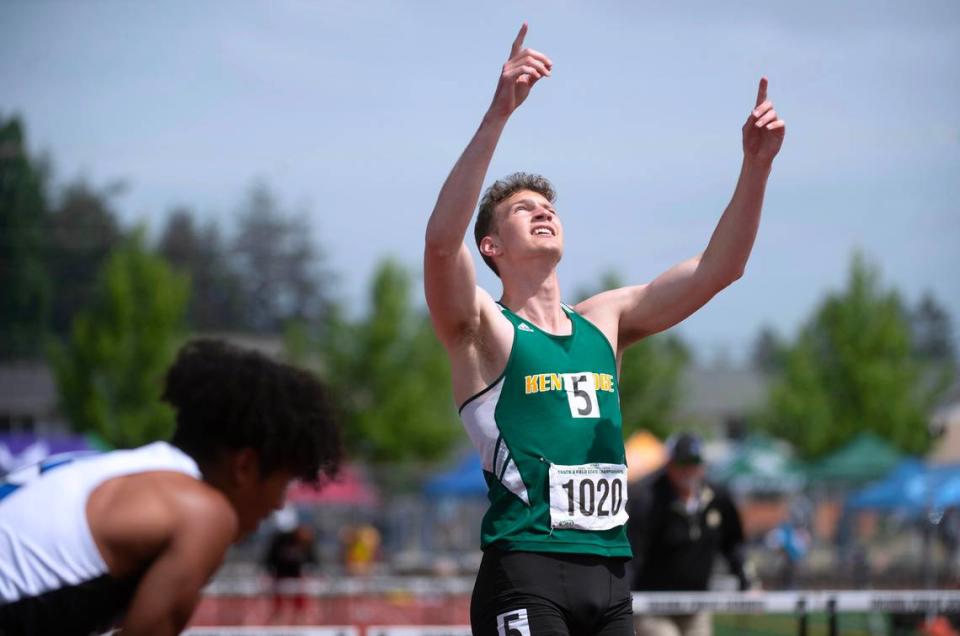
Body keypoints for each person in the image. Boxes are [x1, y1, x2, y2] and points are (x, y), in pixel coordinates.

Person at [423, 21, 784, 636]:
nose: (543, 210)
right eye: (522, 208)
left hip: (613, 575)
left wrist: (755, 167)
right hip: (527, 567)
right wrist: (498, 114)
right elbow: (438, 246)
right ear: (490, 246)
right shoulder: (484, 329)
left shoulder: (605, 320)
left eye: (549, 205)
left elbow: (721, 268)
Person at [0, 339, 342, 636]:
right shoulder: (203, 514)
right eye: (283, 483)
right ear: (245, 467)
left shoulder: (113, 469)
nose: (280, 506)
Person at [628, 433, 757, 636]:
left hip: (696, 605)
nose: (688, 469)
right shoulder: (648, 500)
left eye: (694, 462)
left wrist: (747, 581)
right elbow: (633, 551)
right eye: (682, 462)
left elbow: (733, 543)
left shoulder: (717, 498)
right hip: (652, 606)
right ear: (669, 464)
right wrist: (624, 595)